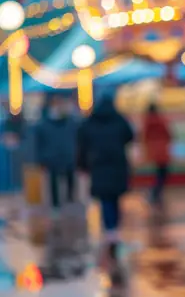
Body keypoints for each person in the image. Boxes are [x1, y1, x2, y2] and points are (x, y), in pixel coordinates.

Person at [78, 89, 134, 262]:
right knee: (115, 198)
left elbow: (82, 141)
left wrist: (83, 164)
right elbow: (130, 136)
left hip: (99, 166)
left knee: (104, 200)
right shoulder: (119, 120)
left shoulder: (91, 122)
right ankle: (114, 228)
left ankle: (109, 229)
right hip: (117, 165)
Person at [35, 94, 79, 213]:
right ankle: (56, 205)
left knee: (70, 179)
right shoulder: (44, 124)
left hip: (67, 155)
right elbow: (39, 143)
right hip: (52, 156)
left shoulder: (70, 122)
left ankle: (69, 201)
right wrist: (41, 159)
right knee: (53, 182)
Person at [141, 102, 171, 206]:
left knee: (157, 173)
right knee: (162, 173)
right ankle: (156, 192)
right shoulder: (161, 120)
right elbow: (168, 134)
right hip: (162, 150)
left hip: (152, 151)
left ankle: (154, 192)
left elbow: (144, 136)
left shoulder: (147, 121)